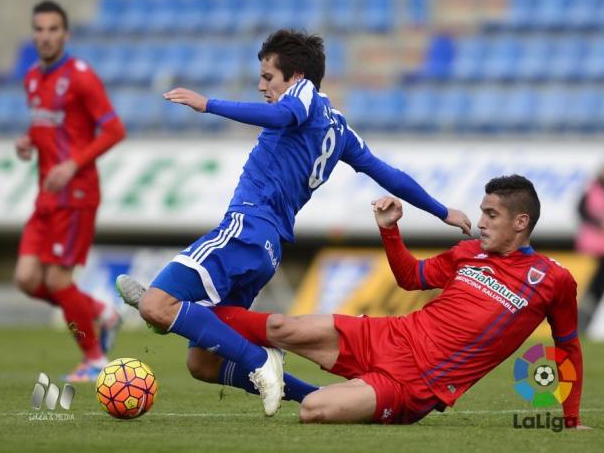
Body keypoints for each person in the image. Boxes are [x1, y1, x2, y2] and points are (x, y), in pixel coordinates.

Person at [116, 29, 471, 416]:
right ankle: (313, 395)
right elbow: (388, 174)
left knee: (156, 304)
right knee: (202, 364)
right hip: (267, 248)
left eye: (268, 77)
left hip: (247, 227)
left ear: (296, 77)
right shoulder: (340, 129)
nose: (261, 85)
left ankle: (249, 356)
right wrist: (442, 211)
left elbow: (287, 112)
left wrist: (209, 104)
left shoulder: (302, 98)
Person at [202, 175, 586, 428]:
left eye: (491, 214)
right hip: (389, 334)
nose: (481, 221)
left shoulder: (553, 279)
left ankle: (289, 377)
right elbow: (411, 278)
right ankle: (182, 310)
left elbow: (568, 348)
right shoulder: (468, 253)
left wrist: (570, 418)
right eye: (482, 212)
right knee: (281, 327)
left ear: (520, 222)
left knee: (313, 410)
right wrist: (390, 232)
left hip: (416, 384)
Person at [14, 0, 125, 382]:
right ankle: (97, 309)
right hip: (45, 196)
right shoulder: (31, 77)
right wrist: (28, 140)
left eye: (53, 29)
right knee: (28, 279)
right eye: (39, 29)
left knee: (58, 281)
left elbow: (114, 130)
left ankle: (93, 357)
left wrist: (71, 164)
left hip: (76, 195)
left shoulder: (81, 76)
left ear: (66, 34)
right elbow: (49, 126)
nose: (45, 36)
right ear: (34, 33)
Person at [575, 165, 604, 328]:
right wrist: (598, 223)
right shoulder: (592, 189)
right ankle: (582, 322)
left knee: (595, 289)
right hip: (592, 248)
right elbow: (581, 210)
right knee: (591, 289)